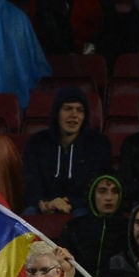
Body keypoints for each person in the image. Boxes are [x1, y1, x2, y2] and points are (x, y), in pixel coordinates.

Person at [23, 86, 111, 216]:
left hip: (81, 207)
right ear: (57, 113)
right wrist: (46, 204)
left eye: (80, 110)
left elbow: (96, 189)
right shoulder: (36, 143)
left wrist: (69, 202)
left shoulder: (98, 144)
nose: (74, 115)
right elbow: (30, 185)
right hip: (44, 206)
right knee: (29, 214)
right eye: (68, 108)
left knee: (84, 217)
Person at [60, 175, 128, 277]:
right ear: (92, 195)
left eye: (115, 191)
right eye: (102, 191)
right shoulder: (74, 227)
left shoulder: (129, 228)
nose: (109, 197)